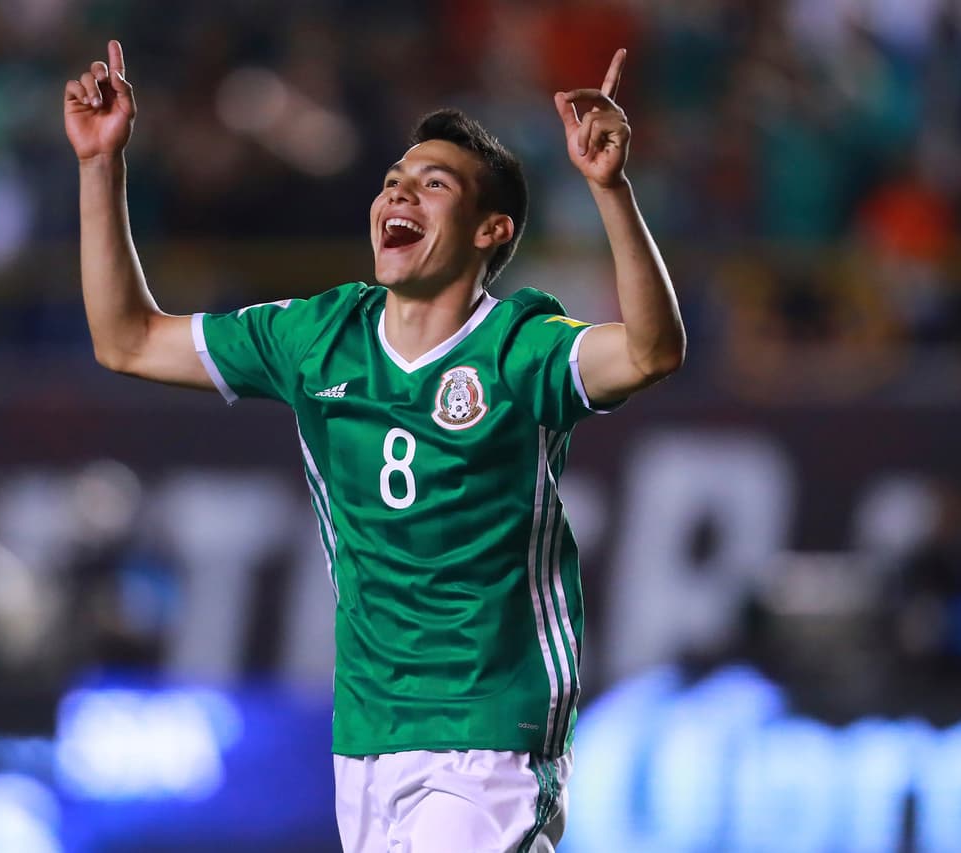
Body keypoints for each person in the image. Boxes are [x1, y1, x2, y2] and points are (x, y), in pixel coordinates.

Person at [64, 39, 684, 853]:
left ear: (490, 230)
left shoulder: (519, 348)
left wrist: (610, 190)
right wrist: (99, 165)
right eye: (394, 180)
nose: (400, 193)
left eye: (435, 185)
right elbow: (129, 339)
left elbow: (651, 351)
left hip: (489, 730)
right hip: (366, 738)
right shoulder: (318, 335)